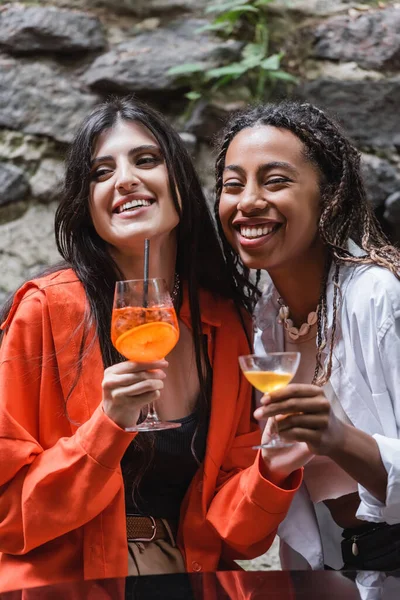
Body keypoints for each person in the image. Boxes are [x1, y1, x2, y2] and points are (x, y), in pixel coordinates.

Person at [0, 97, 302, 592]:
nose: (124, 180)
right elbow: (10, 517)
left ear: (178, 180)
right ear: (86, 203)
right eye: (101, 171)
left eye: (145, 160)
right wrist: (107, 426)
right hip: (64, 585)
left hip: (188, 579)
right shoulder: (44, 312)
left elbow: (240, 539)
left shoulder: (229, 324)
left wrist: (274, 466)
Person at [215, 100, 400, 570]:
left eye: (275, 181)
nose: (247, 201)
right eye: (232, 185)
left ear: (330, 194)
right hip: (329, 573)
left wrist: (337, 437)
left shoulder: (379, 297)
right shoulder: (263, 320)